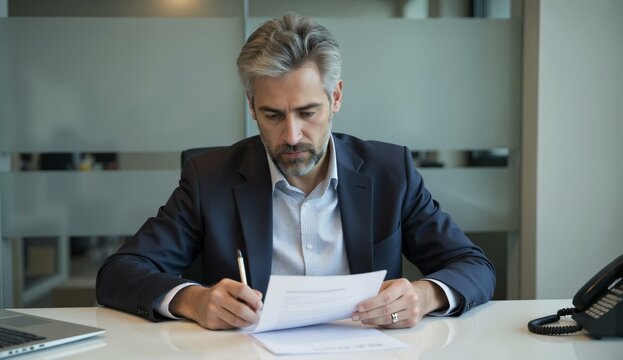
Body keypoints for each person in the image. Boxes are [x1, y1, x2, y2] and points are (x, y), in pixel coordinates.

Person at [96, 13, 495, 331]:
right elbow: (118, 274)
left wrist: (424, 296)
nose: (291, 135)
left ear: (335, 97)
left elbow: (473, 266)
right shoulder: (210, 178)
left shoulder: (391, 171)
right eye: (272, 115)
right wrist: (192, 299)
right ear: (252, 106)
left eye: (308, 113)